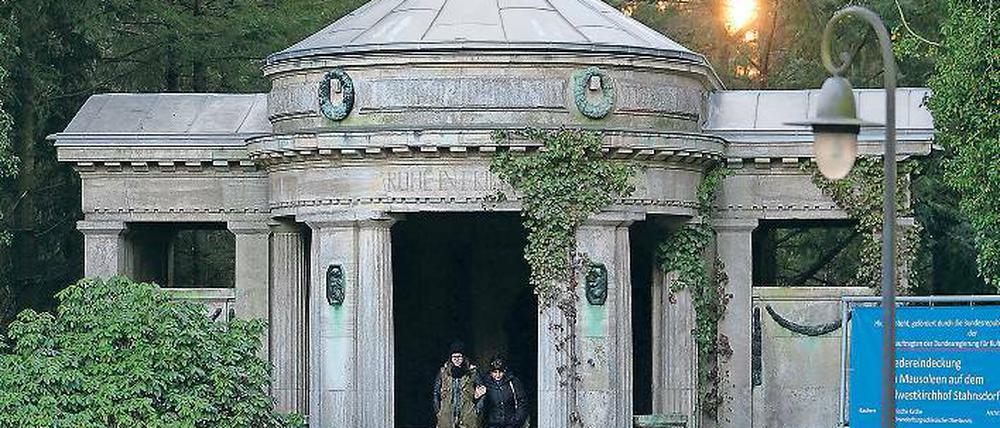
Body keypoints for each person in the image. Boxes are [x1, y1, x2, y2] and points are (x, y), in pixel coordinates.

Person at [433, 341, 486, 428]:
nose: (457, 359)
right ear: (450, 357)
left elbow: (483, 391)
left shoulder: (473, 372)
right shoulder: (443, 372)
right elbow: (436, 392)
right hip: (446, 415)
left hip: (467, 415)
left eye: (459, 356)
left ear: (464, 357)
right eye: (454, 356)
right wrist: (438, 411)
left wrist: (476, 411)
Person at [479, 355, 529, 428]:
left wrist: (518, 419)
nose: (498, 375)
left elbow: (522, 401)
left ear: (505, 371)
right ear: (490, 372)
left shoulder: (513, 381)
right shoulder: (485, 382)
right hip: (492, 424)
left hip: (511, 424)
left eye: (500, 372)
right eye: (495, 372)